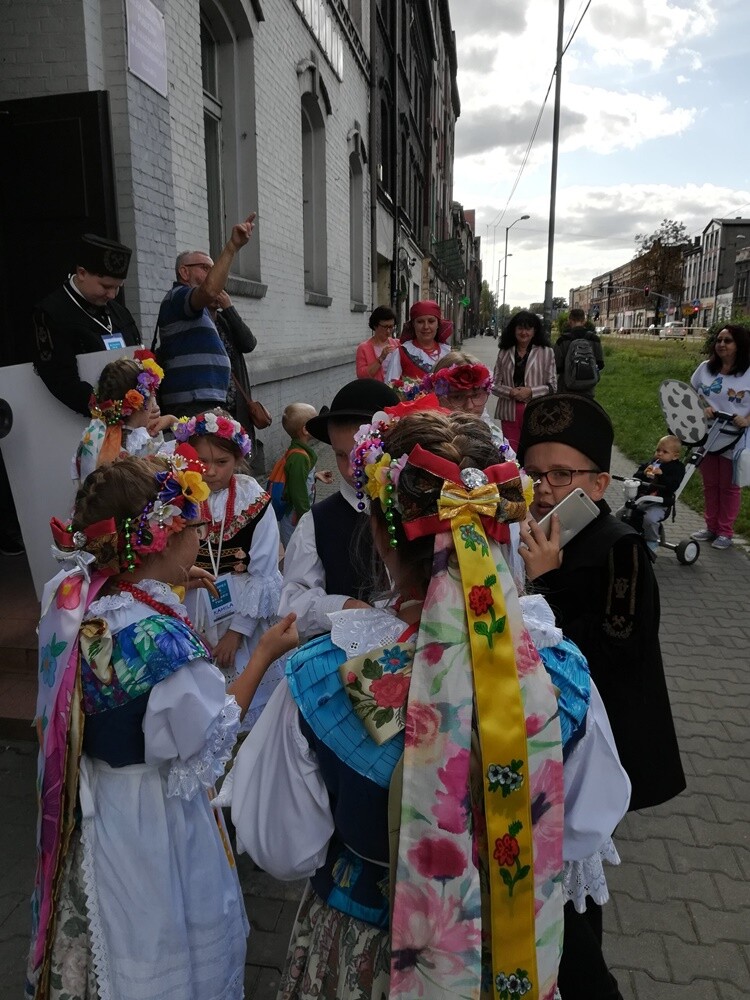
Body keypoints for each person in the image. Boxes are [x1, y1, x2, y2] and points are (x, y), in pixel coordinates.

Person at [228, 405, 629, 1000]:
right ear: (504, 534)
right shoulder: (560, 679)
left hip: (367, 954)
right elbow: (582, 829)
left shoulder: (320, 679)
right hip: (504, 950)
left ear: (379, 535)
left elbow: (282, 848)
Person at [25, 451, 298, 1000]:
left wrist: (172, 588)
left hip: (99, 801)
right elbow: (212, 731)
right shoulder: (162, 642)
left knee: (113, 926)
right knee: (163, 940)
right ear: (164, 538)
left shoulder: (78, 604)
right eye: (195, 528)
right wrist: (264, 653)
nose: (201, 539)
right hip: (154, 817)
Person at [517, 393, 686, 1000]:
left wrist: (548, 582)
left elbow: (613, 652)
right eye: (534, 472)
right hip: (546, 737)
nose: (543, 487)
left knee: (566, 880)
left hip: (592, 744)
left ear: (600, 480)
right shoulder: (538, 530)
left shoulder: (620, 547)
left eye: (562, 473)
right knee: (556, 880)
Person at [174, 409, 285, 730]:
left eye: (221, 462)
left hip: (244, 605)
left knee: (247, 682)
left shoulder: (252, 498)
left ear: (238, 458)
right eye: (201, 461)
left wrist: (238, 632)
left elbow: (264, 572)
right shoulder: (181, 493)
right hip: (195, 602)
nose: (209, 471)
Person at [278, 378, 398, 642]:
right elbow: (292, 602)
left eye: (360, 454)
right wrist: (341, 606)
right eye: (340, 455)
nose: (348, 469)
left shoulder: (421, 508)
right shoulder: (318, 522)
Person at [156, 214, 256, 417]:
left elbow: (248, 342)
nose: (213, 274)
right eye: (205, 268)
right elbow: (209, 290)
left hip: (205, 401)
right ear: (184, 272)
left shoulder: (204, 311)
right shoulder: (178, 296)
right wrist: (232, 247)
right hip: (191, 403)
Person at [32, 234, 142, 415]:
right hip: (82, 423)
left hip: (132, 416)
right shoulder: (51, 313)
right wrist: (110, 409)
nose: (112, 295)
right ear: (82, 273)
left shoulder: (120, 312)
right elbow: (61, 379)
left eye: (117, 287)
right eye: (106, 286)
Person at [73, 350, 177, 484]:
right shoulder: (143, 444)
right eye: (152, 399)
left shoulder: (91, 436)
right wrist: (173, 421)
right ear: (142, 404)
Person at [689, 325, 750, 549]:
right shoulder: (706, 369)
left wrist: (747, 419)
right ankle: (711, 526)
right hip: (708, 433)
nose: (722, 344)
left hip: (735, 435)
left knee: (729, 485)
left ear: (739, 345)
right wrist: (702, 406)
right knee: (710, 483)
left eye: (728, 341)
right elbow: (692, 392)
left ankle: (725, 531)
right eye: (719, 340)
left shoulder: (748, 372)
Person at [491, 310, 556, 452]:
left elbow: (552, 386)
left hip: (536, 411)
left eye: (528, 328)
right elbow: (494, 384)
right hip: (509, 410)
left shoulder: (546, 352)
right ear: (514, 330)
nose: (523, 332)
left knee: (533, 451)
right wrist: (511, 392)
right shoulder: (504, 352)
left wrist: (530, 391)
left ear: (534, 331)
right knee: (512, 452)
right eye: (520, 328)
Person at [212, 290, 262, 470]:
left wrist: (229, 309)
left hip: (236, 404)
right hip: (214, 406)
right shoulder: (196, 320)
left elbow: (249, 343)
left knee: (241, 458)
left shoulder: (224, 321)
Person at [277, 403, 333, 548]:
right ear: (306, 430)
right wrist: (305, 515)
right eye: (314, 422)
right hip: (294, 515)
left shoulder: (300, 451)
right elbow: (297, 490)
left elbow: (297, 478)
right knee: (295, 551)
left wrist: (315, 475)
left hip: (297, 513)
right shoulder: (298, 457)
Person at [632, 434, 685, 553]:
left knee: (650, 519)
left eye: (664, 452)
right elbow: (636, 477)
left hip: (660, 503)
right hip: (642, 499)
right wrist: (643, 473)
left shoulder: (677, 468)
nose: (659, 453)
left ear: (675, 456)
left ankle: (651, 542)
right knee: (623, 513)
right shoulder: (652, 462)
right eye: (658, 450)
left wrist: (661, 475)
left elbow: (672, 486)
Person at [382, 300, 452, 383]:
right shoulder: (401, 353)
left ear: (438, 324)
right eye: (420, 322)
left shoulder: (448, 353)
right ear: (413, 325)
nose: (426, 326)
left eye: (431, 321)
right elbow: (391, 386)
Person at [553, 308, 604, 396]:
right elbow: (600, 364)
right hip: (588, 388)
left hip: (566, 387)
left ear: (569, 321)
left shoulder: (562, 340)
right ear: (584, 321)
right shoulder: (594, 339)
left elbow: (557, 367)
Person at [356, 306, 400, 381]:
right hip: (374, 390)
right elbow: (361, 375)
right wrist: (380, 359)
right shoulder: (363, 348)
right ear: (375, 325)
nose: (388, 331)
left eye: (391, 327)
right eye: (385, 327)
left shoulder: (398, 344)